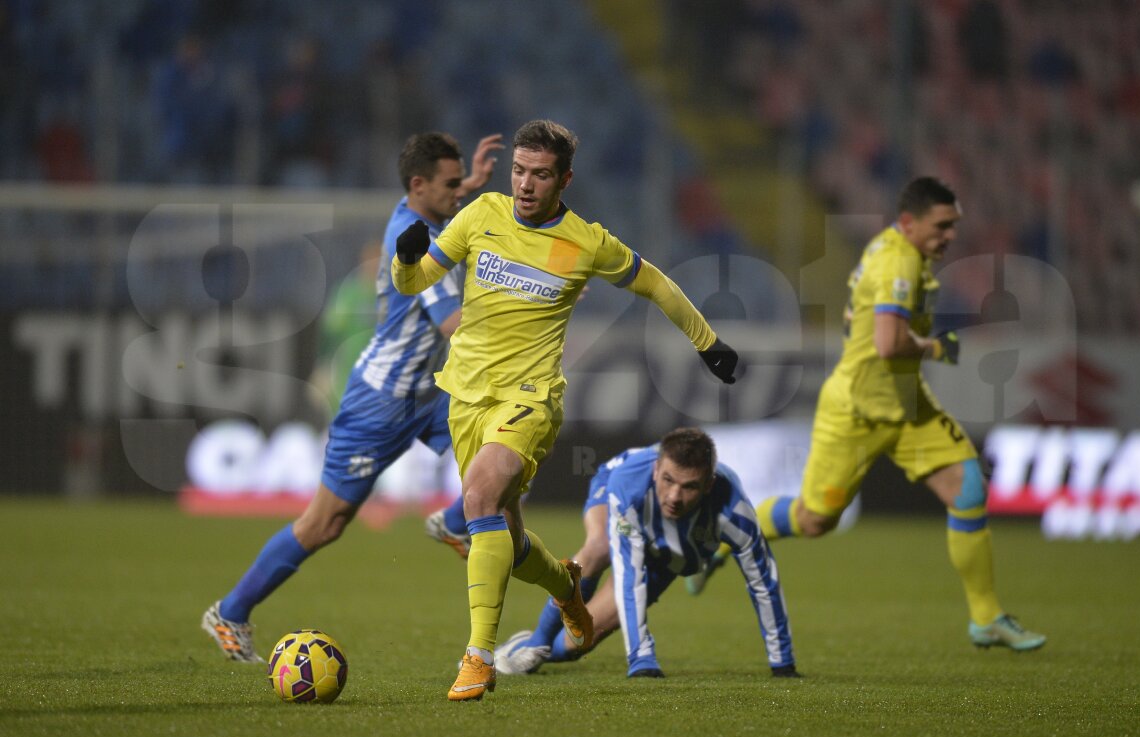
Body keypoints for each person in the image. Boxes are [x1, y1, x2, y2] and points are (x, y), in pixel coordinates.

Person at [392, 119, 740, 701]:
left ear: (564, 179)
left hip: (529, 399)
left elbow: (653, 283)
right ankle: (567, 590)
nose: (526, 184)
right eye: (519, 171)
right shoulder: (480, 216)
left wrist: (708, 342)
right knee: (506, 535)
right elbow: (416, 282)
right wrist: (407, 261)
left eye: (541, 174)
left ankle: (477, 657)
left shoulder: (585, 242)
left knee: (478, 498)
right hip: (465, 396)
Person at [201, 131, 503, 662]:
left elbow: (445, 211)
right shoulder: (417, 239)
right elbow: (454, 324)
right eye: (452, 185)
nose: (461, 193)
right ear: (418, 185)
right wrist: (527, 304)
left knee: (507, 453)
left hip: (429, 393)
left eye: (462, 183)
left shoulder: (417, 211)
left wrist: (469, 186)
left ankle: (454, 521)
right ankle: (231, 610)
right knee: (324, 524)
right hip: (381, 404)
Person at [707, 177, 1045, 651]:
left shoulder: (902, 250)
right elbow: (888, 345)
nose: (949, 236)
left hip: (908, 407)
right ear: (909, 223)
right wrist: (937, 345)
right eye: (942, 226)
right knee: (813, 520)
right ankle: (725, 534)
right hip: (857, 413)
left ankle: (985, 617)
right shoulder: (897, 264)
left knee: (968, 489)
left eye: (954, 226)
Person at [493, 428, 798, 679]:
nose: (675, 496)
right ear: (656, 470)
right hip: (617, 495)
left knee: (579, 642)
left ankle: (534, 645)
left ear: (709, 485)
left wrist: (782, 662)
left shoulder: (735, 512)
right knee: (600, 546)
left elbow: (762, 583)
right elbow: (629, 573)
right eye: (668, 480)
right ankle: (537, 642)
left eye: (689, 486)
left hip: (667, 551)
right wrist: (641, 656)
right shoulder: (630, 484)